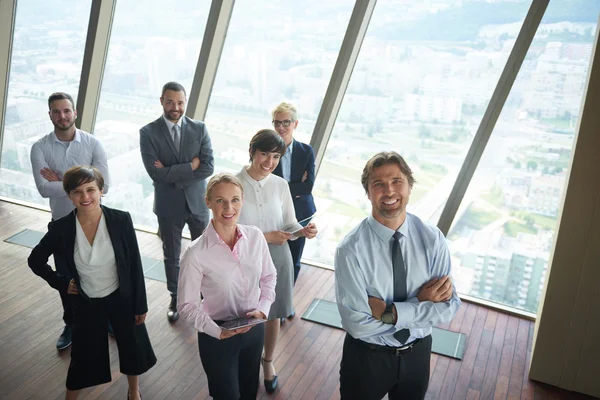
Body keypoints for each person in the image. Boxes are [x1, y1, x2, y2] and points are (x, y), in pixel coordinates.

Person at [335, 151, 461, 400]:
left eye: (396, 181)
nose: (389, 191)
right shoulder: (350, 250)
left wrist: (388, 313)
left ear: (410, 186)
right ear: (368, 193)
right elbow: (356, 324)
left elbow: (448, 308)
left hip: (418, 354)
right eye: (378, 184)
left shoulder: (432, 239)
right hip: (366, 359)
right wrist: (421, 304)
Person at [27, 166, 156, 400]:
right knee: (82, 359)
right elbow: (35, 260)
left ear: (101, 191)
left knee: (132, 348)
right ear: (69, 196)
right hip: (87, 301)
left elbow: (135, 265)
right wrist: (61, 283)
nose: (85, 197)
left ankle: (134, 391)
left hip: (122, 297)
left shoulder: (121, 220)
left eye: (90, 190)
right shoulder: (62, 228)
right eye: (77, 192)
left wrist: (141, 306)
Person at [177, 173, 277, 399]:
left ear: (242, 200)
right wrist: (218, 332)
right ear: (208, 202)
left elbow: (269, 276)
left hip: (254, 326)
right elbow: (187, 305)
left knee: (249, 389)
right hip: (217, 336)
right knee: (227, 395)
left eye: (235, 199)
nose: (228, 207)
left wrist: (263, 309)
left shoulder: (255, 237)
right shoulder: (195, 253)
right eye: (220, 200)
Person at [235, 129, 318, 393]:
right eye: (264, 154)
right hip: (243, 259)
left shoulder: (281, 185)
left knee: (272, 315)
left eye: (275, 156)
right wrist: (265, 236)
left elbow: (288, 223)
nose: (270, 162)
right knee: (243, 313)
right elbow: (226, 229)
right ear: (252, 152)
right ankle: (242, 361)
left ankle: (268, 362)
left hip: (277, 259)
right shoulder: (233, 183)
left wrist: (301, 231)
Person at [30, 92, 110, 350]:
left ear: (75, 113)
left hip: (94, 223)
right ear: (50, 115)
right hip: (61, 223)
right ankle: (71, 323)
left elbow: (104, 185)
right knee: (66, 277)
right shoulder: (40, 148)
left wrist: (61, 180)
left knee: (99, 274)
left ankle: (104, 318)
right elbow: (43, 188)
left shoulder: (93, 143)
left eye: (67, 110)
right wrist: (82, 183)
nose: (62, 116)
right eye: (56, 111)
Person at [139, 81, 214, 322]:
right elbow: (155, 174)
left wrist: (172, 172)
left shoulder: (199, 129)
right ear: (161, 101)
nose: (176, 107)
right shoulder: (148, 133)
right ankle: (175, 296)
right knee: (171, 254)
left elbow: (208, 167)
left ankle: (204, 295)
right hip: (168, 206)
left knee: (203, 252)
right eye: (170, 102)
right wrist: (190, 166)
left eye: (180, 102)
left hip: (198, 203)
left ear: (185, 102)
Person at [271, 102, 317, 294]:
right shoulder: (269, 152)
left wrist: (281, 188)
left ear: (295, 124)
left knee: (294, 259)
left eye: (286, 122)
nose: (281, 127)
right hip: (274, 211)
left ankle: (286, 299)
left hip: (301, 212)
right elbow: (267, 185)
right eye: (277, 123)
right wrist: (293, 187)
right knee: (272, 259)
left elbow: (308, 187)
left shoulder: (306, 151)